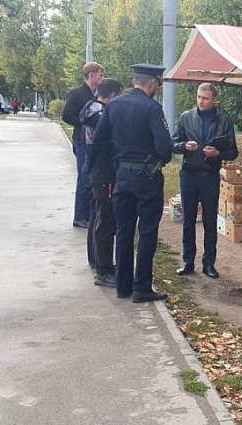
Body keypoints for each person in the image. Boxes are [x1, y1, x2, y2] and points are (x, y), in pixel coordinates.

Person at [89, 63, 172, 303]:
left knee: (123, 232)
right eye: (158, 83)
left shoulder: (113, 105)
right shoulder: (152, 108)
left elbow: (98, 141)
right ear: (152, 82)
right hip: (146, 179)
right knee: (146, 233)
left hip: (120, 178)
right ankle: (142, 287)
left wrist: (101, 171)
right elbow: (165, 149)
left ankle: (122, 286)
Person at [172, 83, 239, 278]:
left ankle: (209, 263)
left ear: (214, 99)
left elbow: (233, 152)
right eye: (199, 97)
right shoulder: (186, 117)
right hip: (189, 174)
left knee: (210, 221)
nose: (201, 101)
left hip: (210, 175)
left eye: (205, 98)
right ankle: (188, 261)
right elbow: (173, 144)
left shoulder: (224, 120)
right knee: (188, 221)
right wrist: (185, 146)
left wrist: (218, 152)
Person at [81, 78, 124, 287]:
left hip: (97, 171)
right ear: (114, 96)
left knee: (99, 218)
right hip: (104, 172)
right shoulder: (101, 115)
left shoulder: (92, 110)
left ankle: (100, 262)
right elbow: (111, 143)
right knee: (105, 222)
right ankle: (103, 270)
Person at [62, 62, 105, 230]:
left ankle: (88, 214)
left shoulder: (96, 94)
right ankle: (80, 216)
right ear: (91, 75)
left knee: (90, 176)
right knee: (84, 177)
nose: (102, 78)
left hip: (92, 141)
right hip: (81, 140)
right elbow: (67, 115)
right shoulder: (78, 93)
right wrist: (83, 122)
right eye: (100, 75)